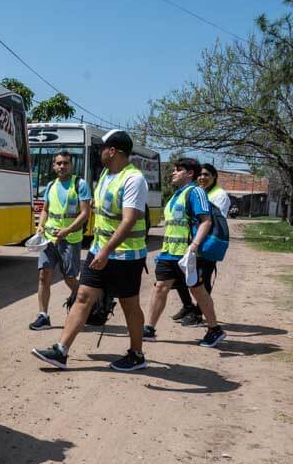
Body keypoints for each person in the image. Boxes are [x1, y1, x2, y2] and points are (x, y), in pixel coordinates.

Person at [31, 130, 149, 371]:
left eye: (103, 148)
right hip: (100, 250)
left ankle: (136, 354)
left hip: (126, 255)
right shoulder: (106, 174)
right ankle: (61, 351)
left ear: (113, 151)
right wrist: (100, 250)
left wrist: (106, 251)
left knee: (129, 304)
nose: (100, 152)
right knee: (83, 297)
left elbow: (128, 220)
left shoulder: (134, 179)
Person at [142, 159, 226, 348]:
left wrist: (194, 246)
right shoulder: (175, 196)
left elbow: (206, 221)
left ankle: (214, 329)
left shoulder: (196, 192)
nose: (173, 173)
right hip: (169, 254)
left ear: (190, 174)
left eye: (178, 170)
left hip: (187, 256)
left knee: (198, 290)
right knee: (160, 287)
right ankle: (149, 329)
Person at [29, 150, 91, 330]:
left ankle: (89, 304)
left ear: (71, 165)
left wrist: (67, 230)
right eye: (59, 163)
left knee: (70, 278)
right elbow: (46, 210)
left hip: (70, 239)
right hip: (49, 239)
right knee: (43, 275)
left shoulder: (80, 184)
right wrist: (41, 225)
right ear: (54, 166)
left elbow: (85, 213)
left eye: (66, 163)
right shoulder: (51, 185)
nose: (62, 166)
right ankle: (43, 316)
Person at [170, 163, 231, 326]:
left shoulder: (219, 195)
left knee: (203, 280)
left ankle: (198, 313)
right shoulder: (196, 191)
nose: (202, 178)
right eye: (200, 175)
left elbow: (216, 221)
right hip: (190, 242)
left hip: (206, 243)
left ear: (214, 177)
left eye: (206, 175)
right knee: (181, 277)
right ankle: (188, 306)